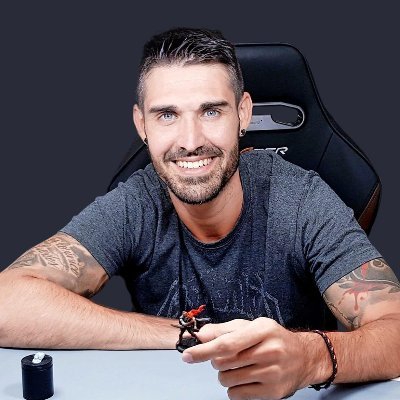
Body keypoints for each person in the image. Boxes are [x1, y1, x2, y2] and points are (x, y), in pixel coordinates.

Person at [0, 27, 399, 399]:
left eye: (211, 111)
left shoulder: (302, 201)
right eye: (167, 115)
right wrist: (187, 335)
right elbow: (7, 303)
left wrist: (310, 358)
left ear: (243, 114)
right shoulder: (135, 205)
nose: (190, 141)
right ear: (142, 124)